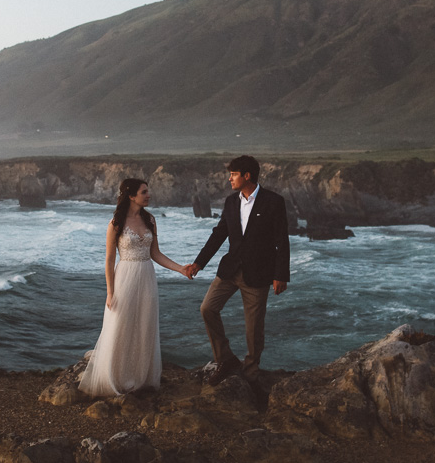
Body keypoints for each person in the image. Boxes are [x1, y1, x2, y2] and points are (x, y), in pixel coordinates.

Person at [79, 178, 189, 397]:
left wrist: (180, 269)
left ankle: (139, 378)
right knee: (121, 325)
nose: (148, 195)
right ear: (131, 196)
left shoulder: (150, 220)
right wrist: (110, 293)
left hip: (147, 276)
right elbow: (109, 260)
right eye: (144, 192)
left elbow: (155, 254)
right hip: (125, 278)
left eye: (148, 191)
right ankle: (116, 377)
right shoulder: (116, 223)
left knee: (144, 325)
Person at [186, 156, 290, 383]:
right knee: (207, 309)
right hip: (230, 270)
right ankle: (225, 359)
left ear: (247, 176)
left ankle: (251, 372)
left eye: (233, 174)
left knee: (253, 329)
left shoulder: (273, 202)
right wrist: (198, 263)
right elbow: (219, 234)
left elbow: (282, 240)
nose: (229, 179)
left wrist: (280, 275)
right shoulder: (231, 202)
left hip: (259, 273)